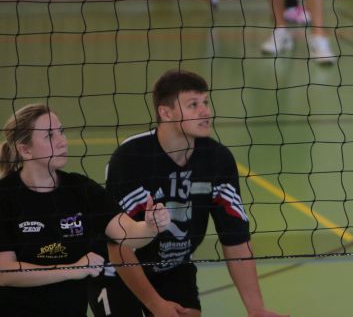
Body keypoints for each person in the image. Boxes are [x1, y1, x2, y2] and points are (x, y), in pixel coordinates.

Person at [97, 70, 286, 317]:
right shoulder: (131, 159)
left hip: (175, 267)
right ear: (166, 113)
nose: (205, 111)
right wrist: (156, 305)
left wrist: (256, 309)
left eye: (206, 102)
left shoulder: (217, 160)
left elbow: (236, 240)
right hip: (117, 269)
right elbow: (118, 247)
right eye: (193, 105)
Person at [0, 104, 170, 316]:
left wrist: (150, 226)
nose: (62, 141)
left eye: (61, 131)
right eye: (49, 135)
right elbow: (5, 272)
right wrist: (72, 269)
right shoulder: (5, 197)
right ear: (25, 150)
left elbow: (128, 233)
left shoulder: (81, 190)